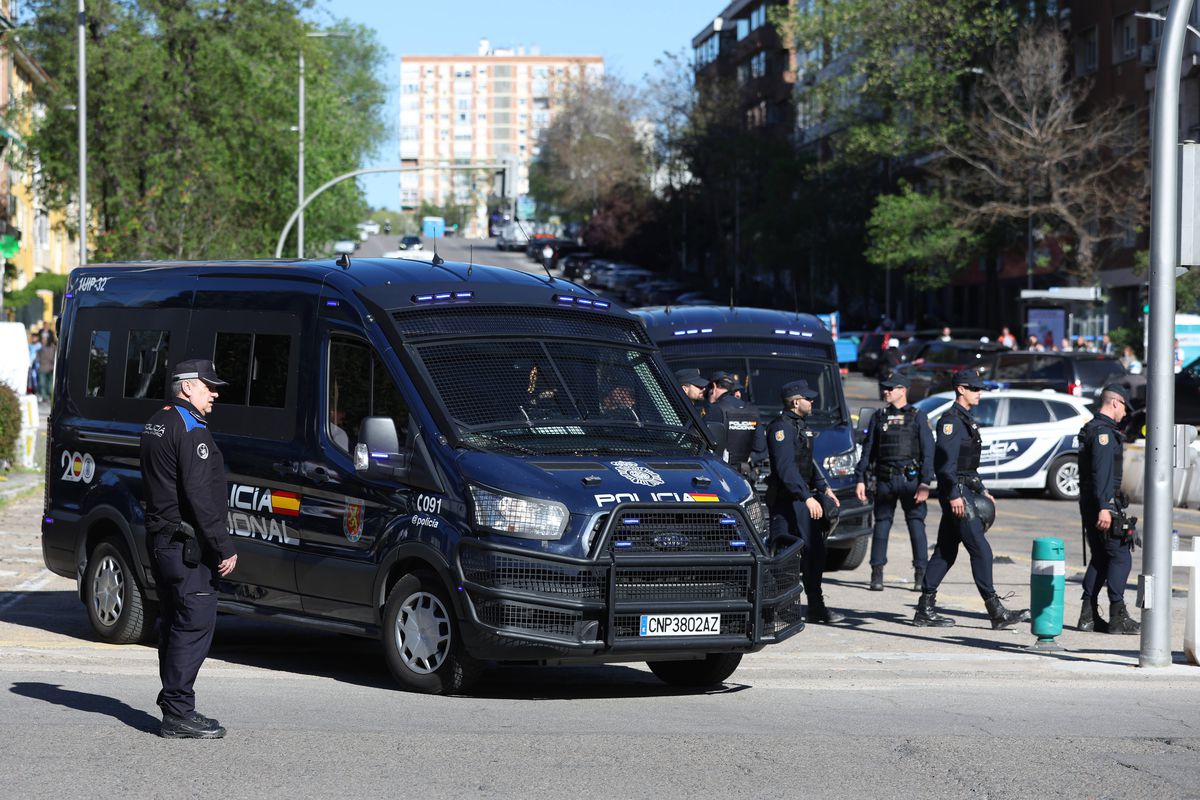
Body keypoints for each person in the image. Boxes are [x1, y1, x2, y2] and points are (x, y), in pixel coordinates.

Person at [140, 359, 237, 739]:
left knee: (174, 622)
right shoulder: (191, 428)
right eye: (208, 387)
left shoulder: (157, 421)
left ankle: (173, 705)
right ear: (187, 387)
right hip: (186, 546)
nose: (214, 394)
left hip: (161, 540)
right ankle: (179, 712)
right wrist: (223, 545)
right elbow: (198, 495)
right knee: (192, 624)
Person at [912, 371, 1029, 629]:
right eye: (974, 388)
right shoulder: (951, 421)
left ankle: (924, 609)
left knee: (945, 551)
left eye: (980, 389)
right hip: (957, 494)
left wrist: (982, 490)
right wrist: (954, 495)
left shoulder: (966, 420)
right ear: (960, 389)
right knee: (981, 550)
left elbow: (968, 467)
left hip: (964, 489)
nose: (979, 393)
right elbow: (945, 466)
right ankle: (996, 612)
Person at [766, 379, 843, 624]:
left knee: (815, 553)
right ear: (795, 402)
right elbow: (786, 469)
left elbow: (808, 464)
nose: (812, 402)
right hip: (787, 501)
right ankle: (780, 609)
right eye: (808, 399)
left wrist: (824, 488)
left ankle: (815, 606)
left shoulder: (800, 426)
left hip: (802, 499)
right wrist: (806, 497)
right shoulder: (781, 428)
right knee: (785, 556)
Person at [855, 374, 934, 592]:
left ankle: (921, 574)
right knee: (881, 524)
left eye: (891, 388)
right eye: (885, 388)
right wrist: (860, 479)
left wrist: (925, 483)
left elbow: (929, 453)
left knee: (916, 524)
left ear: (903, 390)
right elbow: (868, 451)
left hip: (911, 480)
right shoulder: (879, 416)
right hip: (885, 479)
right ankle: (876, 573)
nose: (886, 392)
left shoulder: (918, 417)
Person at [1077, 384, 1140, 635]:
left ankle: (1088, 615)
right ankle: (1118, 616)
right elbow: (1101, 472)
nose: (1125, 413)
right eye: (1125, 407)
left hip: (1091, 502)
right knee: (1121, 556)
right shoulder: (1103, 433)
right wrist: (1105, 507)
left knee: (1101, 557)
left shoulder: (1092, 428)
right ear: (1115, 402)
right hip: (1102, 504)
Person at [36, 330, 56, 403]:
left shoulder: (53, 347)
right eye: (43, 338)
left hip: (51, 368)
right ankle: (44, 397)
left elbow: (55, 357)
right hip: (42, 368)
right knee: (42, 384)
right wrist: (37, 362)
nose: (43, 340)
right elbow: (37, 357)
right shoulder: (39, 347)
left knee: (50, 385)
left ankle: (49, 396)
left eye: (45, 338)